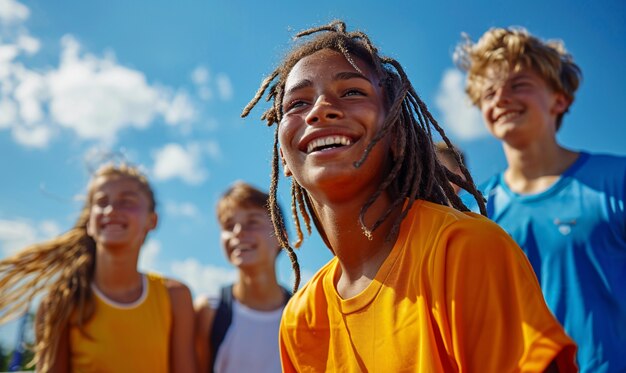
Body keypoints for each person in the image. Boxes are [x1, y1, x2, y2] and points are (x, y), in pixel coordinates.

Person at [242, 20, 577, 372]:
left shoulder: (464, 250)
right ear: (284, 157)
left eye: (353, 92)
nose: (320, 109)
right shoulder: (301, 317)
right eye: (297, 103)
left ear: (396, 132)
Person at [455, 27, 626, 373]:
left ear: (559, 98)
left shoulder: (616, 182)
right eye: (488, 92)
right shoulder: (476, 215)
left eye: (518, 85)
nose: (501, 98)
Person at [0, 163, 196, 372]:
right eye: (102, 202)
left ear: (152, 220)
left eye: (127, 201)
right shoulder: (61, 302)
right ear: (89, 222)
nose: (111, 210)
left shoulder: (175, 297)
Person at [194, 181, 290, 373]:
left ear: (282, 237)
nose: (238, 232)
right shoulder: (210, 311)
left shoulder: (304, 313)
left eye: (252, 222)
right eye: (229, 225)